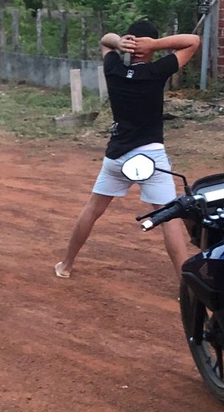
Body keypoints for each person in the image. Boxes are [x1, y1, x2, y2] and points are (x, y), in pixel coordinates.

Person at [54, 19, 200, 280]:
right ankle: (185, 284)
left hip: (117, 156)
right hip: (150, 157)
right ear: (150, 47)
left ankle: (66, 264)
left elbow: (104, 41)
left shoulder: (114, 70)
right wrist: (156, 44)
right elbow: (193, 41)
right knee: (170, 216)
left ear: (129, 44)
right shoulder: (156, 71)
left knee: (92, 210)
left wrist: (118, 42)